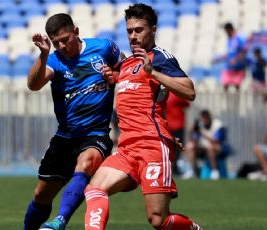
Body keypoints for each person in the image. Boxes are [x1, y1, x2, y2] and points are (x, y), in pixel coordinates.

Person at [84, 4, 202, 230]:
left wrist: (153, 72)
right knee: (94, 189)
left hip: (152, 147)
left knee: (159, 220)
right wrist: (112, 78)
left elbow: (189, 91)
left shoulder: (160, 58)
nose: (133, 36)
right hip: (127, 148)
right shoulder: (127, 63)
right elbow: (137, 97)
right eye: (129, 31)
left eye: (139, 30)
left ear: (153, 30)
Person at [22, 13, 122, 230]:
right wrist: (44, 54)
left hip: (96, 132)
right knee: (41, 195)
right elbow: (34, 84)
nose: (62, 45)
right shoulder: (54, 59)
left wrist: (114, 75)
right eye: (56, 42)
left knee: (86, 163)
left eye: (65, 39)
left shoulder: (104, 48)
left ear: (76, 31)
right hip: (66, 135)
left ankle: (59, 221)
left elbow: (126, 69)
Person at [182, 110, 231, 180]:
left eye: (205, 118)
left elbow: (216, 141)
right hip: (203, 148)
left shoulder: (218, 125)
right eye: (203, 118)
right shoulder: (200, 125)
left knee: (210, 148)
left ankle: (215, 172)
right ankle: (193, 170)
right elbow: (194, 141)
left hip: (217, 149)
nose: (204, 120)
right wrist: (192, 131)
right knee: (190, 146)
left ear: (209, 117)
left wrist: (202, 132)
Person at [164, 92, 190, 175]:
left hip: (168, 125)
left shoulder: (165, 95)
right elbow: (187, 104)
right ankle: (174, 168)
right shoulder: (176, 95)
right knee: (178, 148)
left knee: (170, 148)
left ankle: (170, 168)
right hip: (178, 125)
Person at [217, 22, 248, 91]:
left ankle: (237, 101)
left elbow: (244, 50)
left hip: (239, 68)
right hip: (229, 67)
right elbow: (230, 53)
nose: (226, 33)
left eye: (226, 31)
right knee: (225, 84)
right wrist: (221, 57)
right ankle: (226, 101)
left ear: (229, 30)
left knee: (237, 86)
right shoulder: (229, 40)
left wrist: (236, 59)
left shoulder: (240, 38)